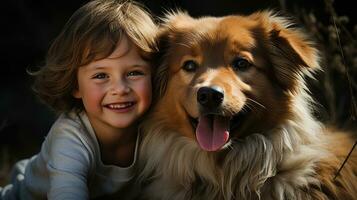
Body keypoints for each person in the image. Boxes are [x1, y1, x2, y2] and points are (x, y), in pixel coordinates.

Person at [0, 0, 157, 199]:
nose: (120, 89)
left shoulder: (155, 128)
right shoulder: (72, 135)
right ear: (75, 85)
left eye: (134, 73)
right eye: (101, 76)